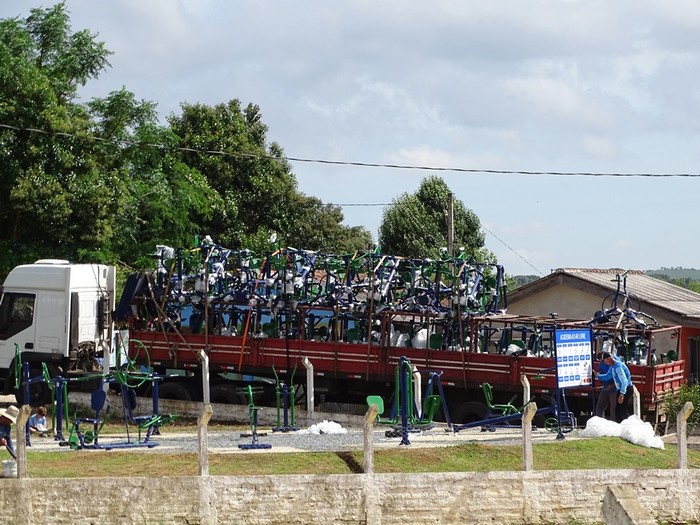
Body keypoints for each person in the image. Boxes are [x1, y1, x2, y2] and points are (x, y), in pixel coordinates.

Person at [596, 352, 633, 422]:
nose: (605, 364)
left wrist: (622, 394)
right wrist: (598, 375)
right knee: (617, 411)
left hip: (626, 388)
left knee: (623, 411)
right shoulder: (612, 367)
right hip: (620, 389)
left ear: (608, 359)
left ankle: (626, 426)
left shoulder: (618, 366)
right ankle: (619, 426)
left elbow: (624, 381)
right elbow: (608, 376)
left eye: (604, 361)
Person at [594, 351, 618, 421]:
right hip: (605, 387)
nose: (601, 362)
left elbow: (618, 377)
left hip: (614, 388)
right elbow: (602, 373)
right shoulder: (601, 364)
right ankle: (600, 422)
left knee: (613, 409)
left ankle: (614, 423)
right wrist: (598, 375)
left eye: (602, 360)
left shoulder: (616, 362)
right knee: (600, 406)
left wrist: (612, 385)